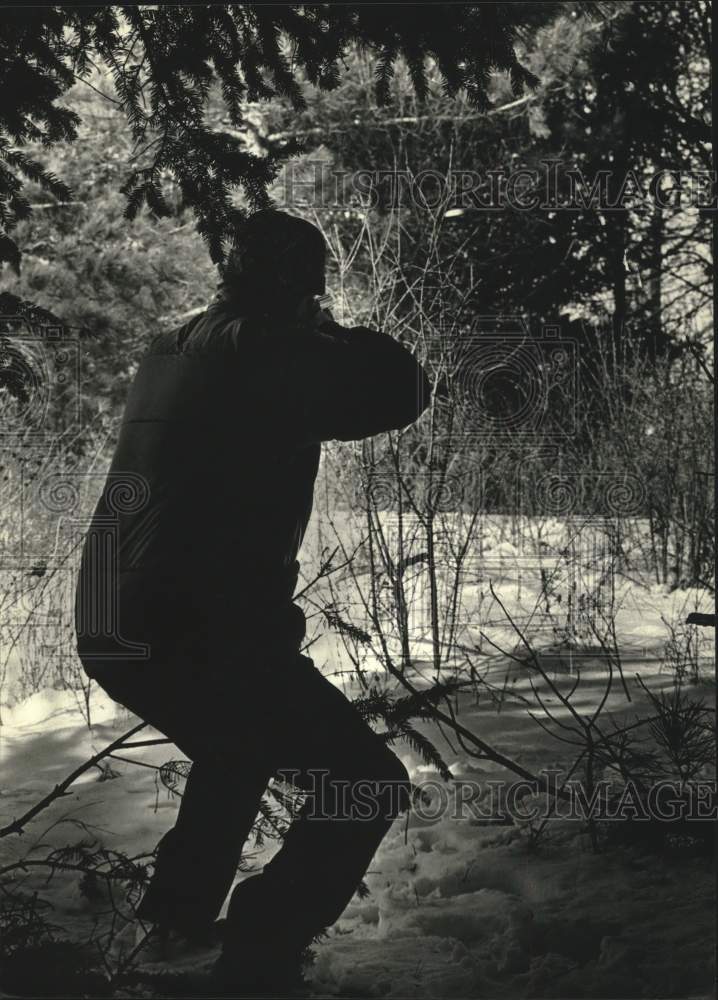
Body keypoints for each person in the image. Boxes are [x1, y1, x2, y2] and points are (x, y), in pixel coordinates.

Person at [74, 208, 431, 994]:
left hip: (115, 620)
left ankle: (174, 925)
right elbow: (403, 388)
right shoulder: (269, 350)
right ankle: (259, 955)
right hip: (199, 628)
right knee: (363, 780)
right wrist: (337, 332)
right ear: (300, 290)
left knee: (237, 745)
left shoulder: (172, 345)